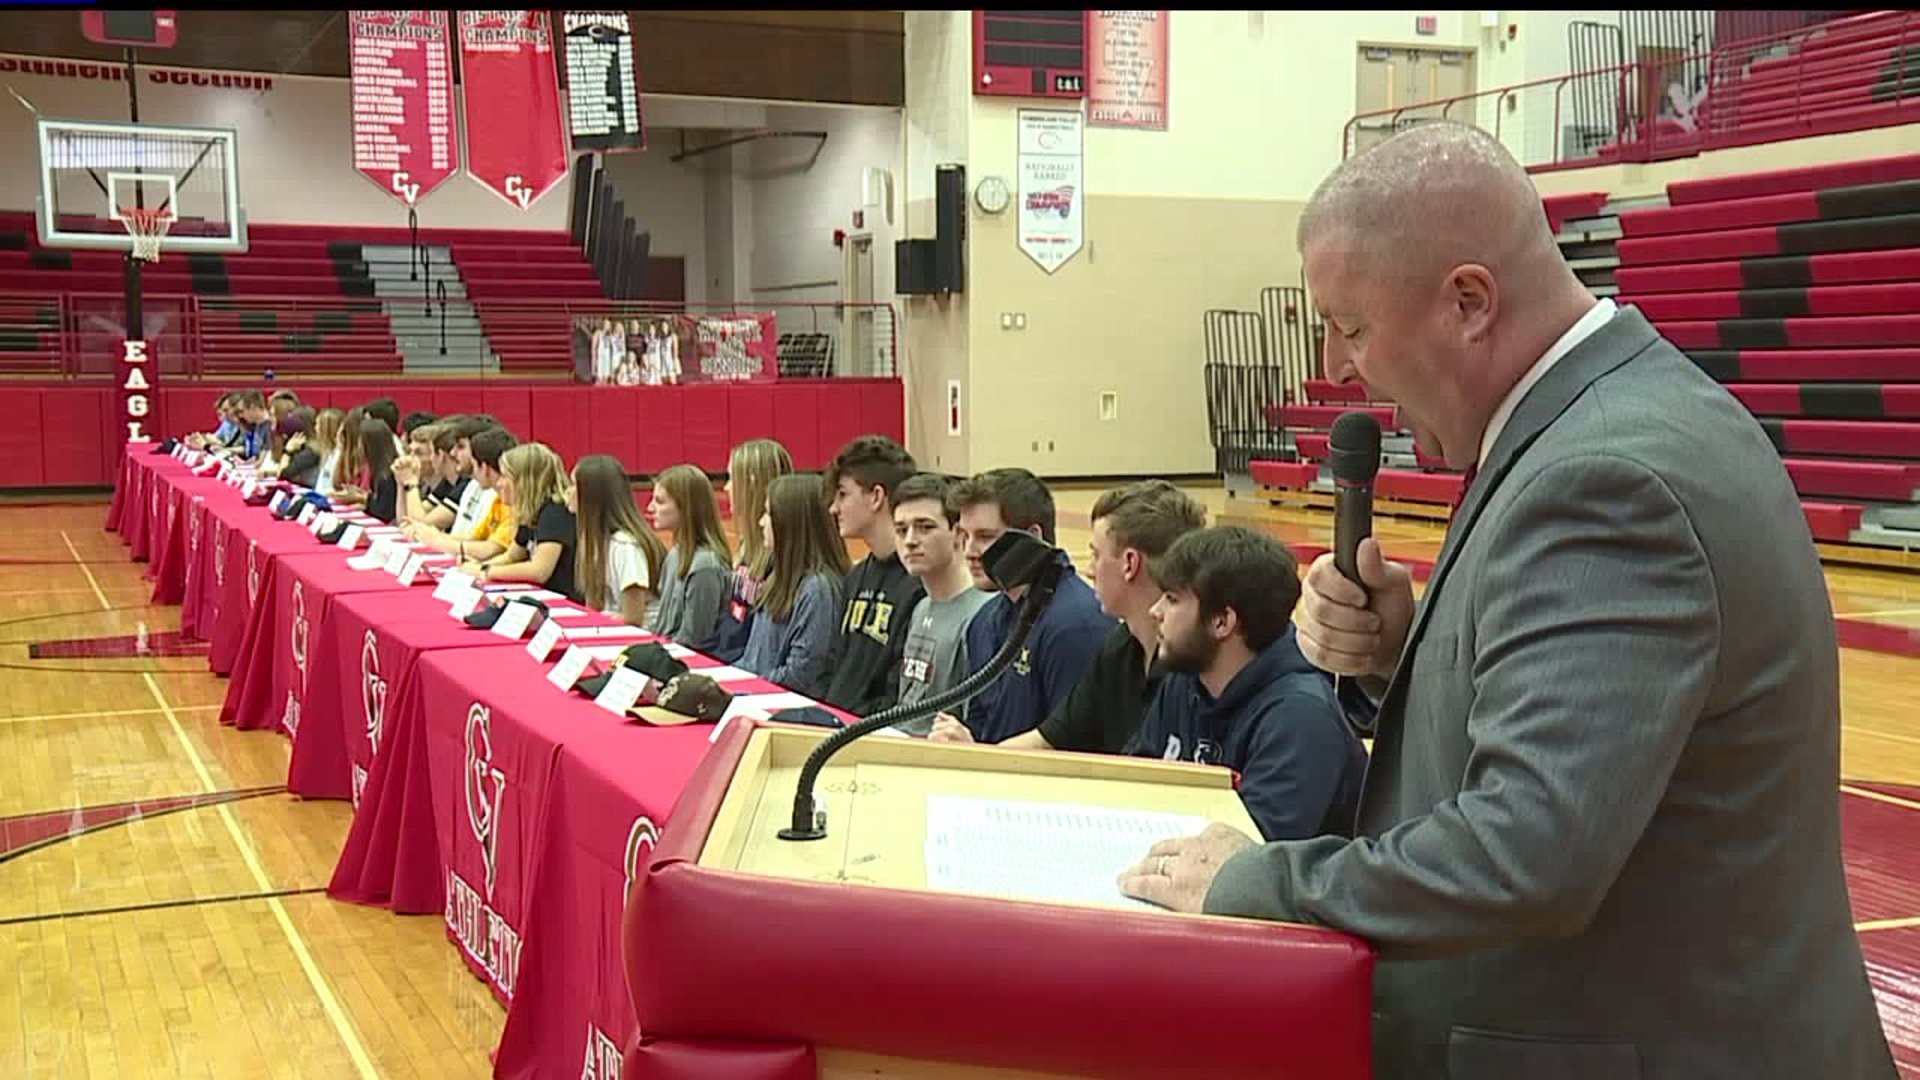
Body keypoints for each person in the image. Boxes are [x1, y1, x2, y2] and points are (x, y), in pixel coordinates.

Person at [1119, 122, 1897, 1079]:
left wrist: (1260, 882)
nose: (1334, 366)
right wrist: (1401, 653)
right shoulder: (1597, 420)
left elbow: (1528, 848)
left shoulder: (1609, 476)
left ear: (1470, 302)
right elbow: (1607, 726)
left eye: (1352, 326)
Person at [1127, 526, 1366, 842]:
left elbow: (1251, 861)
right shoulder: (1183, 681)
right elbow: (1134, 788)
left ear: (1221, 622)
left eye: (1172, 600)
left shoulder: (1301, 718)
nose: (1154, 612)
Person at [929, 478, 1205, 752]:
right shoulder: (1120, 647)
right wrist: (977, 759)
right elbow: (1052, 737)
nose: (1090, 570)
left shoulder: (1188, 667)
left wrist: (981, 760)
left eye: (1096, 555)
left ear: (1130, 564)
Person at [942, 468, 1111, 744]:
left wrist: (980, 757)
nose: (970, 552)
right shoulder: (984, 620)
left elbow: (1074, 747)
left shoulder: (1076, 625)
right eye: (965, 535)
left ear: (1032, 536)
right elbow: (977, 722)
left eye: (985, 537)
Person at [814, 435, 924, 715]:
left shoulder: (918, 585)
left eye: (843, 494)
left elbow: (898, 694)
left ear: (876, 497)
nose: (833, 508)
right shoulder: (855, 576)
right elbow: (834, 665)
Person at [888, 472, 993, 732]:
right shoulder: (920, 608)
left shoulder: (982, 614)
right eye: (901, 530)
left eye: (925, 527)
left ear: (958, 534)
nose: (910, 540)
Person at [739, 474, 848, 691]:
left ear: (791, 522)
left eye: (768, 514)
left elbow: (801, 674)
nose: (761, 522)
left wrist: (745, 688)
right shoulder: (777, 578)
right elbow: (751, 661)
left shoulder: (818, 589)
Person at [465, 442, 578, 602]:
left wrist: (486, 571)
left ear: (525, 480)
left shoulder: (554, 512)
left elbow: (539, 571)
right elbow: (512, 556)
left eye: (505, 476)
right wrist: (476, 566)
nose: (499, 483)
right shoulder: (531, 511)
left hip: (565, 603)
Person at [571, 453, 667, 626]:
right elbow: (593, 606)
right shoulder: (594, 541)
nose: (567, 491)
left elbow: (633, 619)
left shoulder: (625, 546)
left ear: (591, 495)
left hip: (643, 640)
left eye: (572, 485)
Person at [645, 464, 732, 648]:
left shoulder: (705, 566)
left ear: (686, 508)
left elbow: (695, 641)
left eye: (660, 501)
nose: (650, 507)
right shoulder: (674, 555)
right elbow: (662, 625)